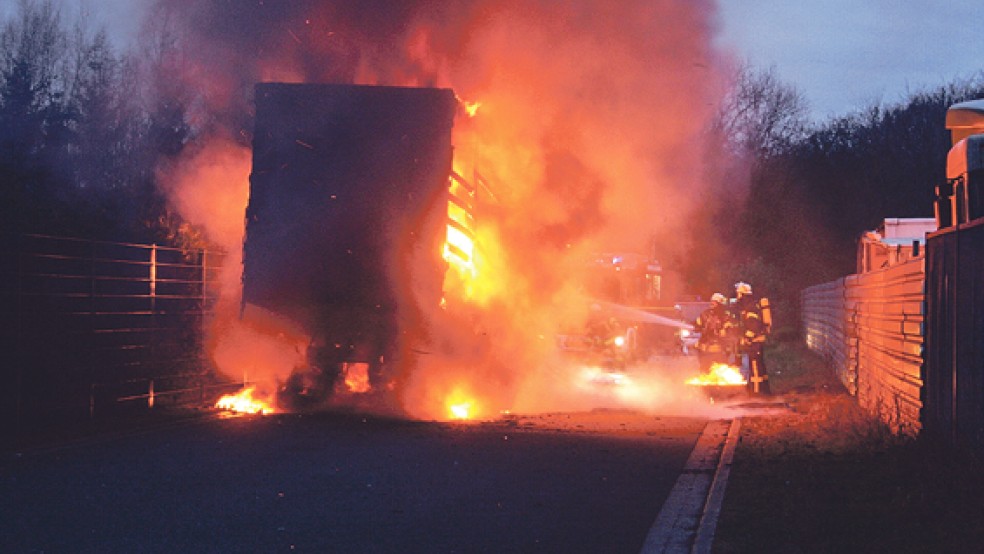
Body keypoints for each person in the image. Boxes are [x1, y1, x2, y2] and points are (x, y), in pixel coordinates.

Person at [735, 281, 771, 395]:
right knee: (760, 368)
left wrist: (747, 338)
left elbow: (753, 325)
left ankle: (757, 393)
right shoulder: (752, 305)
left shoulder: (750, 307)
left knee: (755, 368)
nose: (737, 297)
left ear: (742, 294)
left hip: (754, 343)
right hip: (757, 342)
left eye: (738, 294)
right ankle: (765, 390)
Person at [694, 293, 733, 373]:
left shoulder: (724, 315)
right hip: (708, 348)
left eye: (714, 303)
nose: (712, 304)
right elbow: (697, 325)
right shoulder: (705, 314)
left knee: (719, 370)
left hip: (718, 349)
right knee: (707, 369)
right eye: (712, 302)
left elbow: (728, 330)